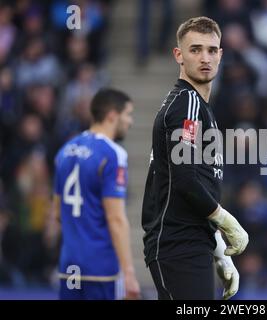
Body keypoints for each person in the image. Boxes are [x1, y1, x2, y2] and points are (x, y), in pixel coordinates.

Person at [141, 16, 249, 300]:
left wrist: (217, 249)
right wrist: (227, 221)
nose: (205, 58)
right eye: (195, 49)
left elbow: (186, 184)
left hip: (189, 243)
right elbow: (184, 179)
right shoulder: (186, 104)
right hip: (178, 246)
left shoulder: (199, 108)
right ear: (178, 55)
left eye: (212, 50)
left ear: (221, 54)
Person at [53, 88, 141, 300]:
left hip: (69, 266)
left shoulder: (65, 150)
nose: (130, 122)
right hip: (101, 269)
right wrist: (129, 272)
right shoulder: (113, 154)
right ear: (112, 115)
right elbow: (116, 219)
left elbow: (57, 213)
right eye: (128, 114)